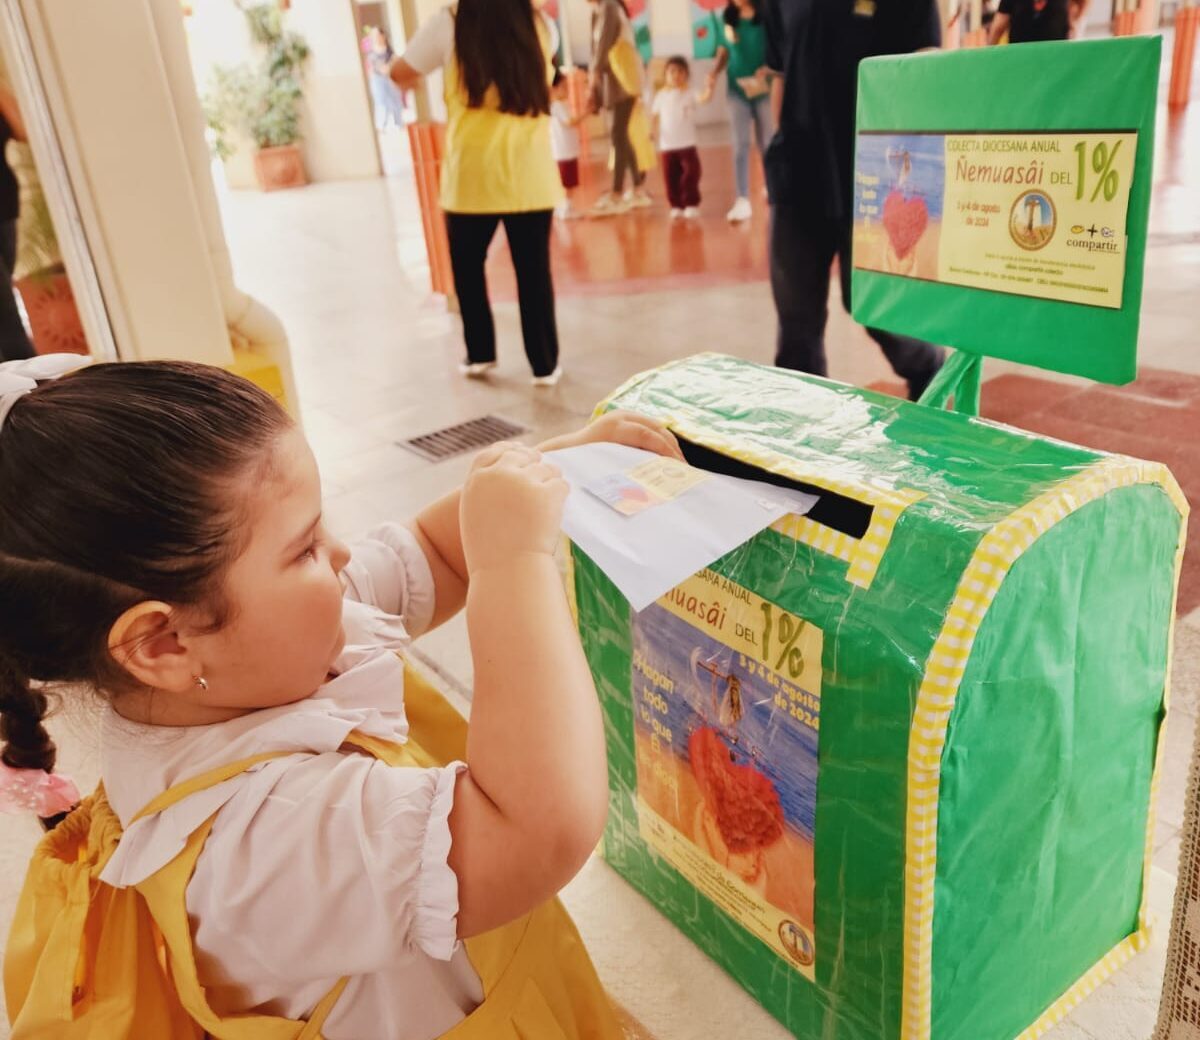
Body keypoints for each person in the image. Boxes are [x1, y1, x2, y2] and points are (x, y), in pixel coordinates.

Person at [0, 356, 685, 1039]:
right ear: (161, 645)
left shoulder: (247, 658)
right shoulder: (256, 847)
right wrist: (517, 562)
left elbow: (430, 553)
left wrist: (558, 470)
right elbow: (537, 829)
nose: (342, 556)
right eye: (303, 550)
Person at [762, 0, 945, 400]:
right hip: (798, 174)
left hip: (876, 177)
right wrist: (780, 150)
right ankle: (803, 435)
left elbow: (927, 70)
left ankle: (929, 370)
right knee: (796, 325)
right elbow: (780, 74)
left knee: (873, 307)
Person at [390, 0, 564, 386]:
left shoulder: (448, 24)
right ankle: (544, 365)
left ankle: (480, 354)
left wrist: (419, 78)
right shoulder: (541, 25)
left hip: (472, 175)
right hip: (529, 173)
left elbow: (398, 71)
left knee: (468, 269)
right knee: (534, 273)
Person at [704, 0, 774, 223]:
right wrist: (713, 73)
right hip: (737, 90)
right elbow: (723, 52)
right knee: (740, 144)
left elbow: (775, 48)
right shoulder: (727, 19)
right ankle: (742, 199)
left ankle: (772, 187)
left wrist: (769, 69)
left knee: (768, 143)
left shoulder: (766, 16)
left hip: (763, 88)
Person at [587, 0, 653, 216]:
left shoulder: (609, 6)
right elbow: (595, 47)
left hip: (624, 80)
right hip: (614, 83)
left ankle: (618, 192)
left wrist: (594, 72)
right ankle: (637, 188)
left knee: (618, 134)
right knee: (621, 134)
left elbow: (605, 41)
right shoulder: (597, 11)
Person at [0, 83, 34, 362]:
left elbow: (25, 131)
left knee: (4, 296)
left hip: (5, 205)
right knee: (6, 310)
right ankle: (35, 384)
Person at [652, 56, 703, 220]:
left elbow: (703, 98)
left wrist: (710, 87)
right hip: (667, 145)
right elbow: (654, 116)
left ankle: (690, 203)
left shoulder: (690, 92)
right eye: (672, 71)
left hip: (687, 143)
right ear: (665, 75)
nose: (676, 75)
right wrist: (652, 131)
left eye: (680, 71)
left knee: (692, 172)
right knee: (670, 176)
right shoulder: (661, 95)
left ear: (686, 74)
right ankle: (676, 205)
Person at [550, 70, 584, 220]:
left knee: (567, 181)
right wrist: (587, 112)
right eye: (563, 86)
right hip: (563, 150)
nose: (567, 90)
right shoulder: (557, 106)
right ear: (554, 88)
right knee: (567, 182)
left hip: (565, 149)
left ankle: (563, 206)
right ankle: (565, 208)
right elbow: (570, 122)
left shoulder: (559, 105)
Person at [365, 27, 407, 130]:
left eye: (378, 35)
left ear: (383, 36)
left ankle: (399, 124)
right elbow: (374, 67)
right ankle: (382, 125)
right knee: (381, 102)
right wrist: (382, 68)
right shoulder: (371, 54)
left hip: (390, 77)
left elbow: (394, 60)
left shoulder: (389, 50)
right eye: (374, 36)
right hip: (378, 79)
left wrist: (390, 66)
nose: (376, 38)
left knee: (395, 100)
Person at [987, 0, 1086, 43]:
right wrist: (989, 56)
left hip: (1056, 57)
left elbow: (1080, 4)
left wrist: (1074, 21)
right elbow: (998, 28)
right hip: (1021, 58)